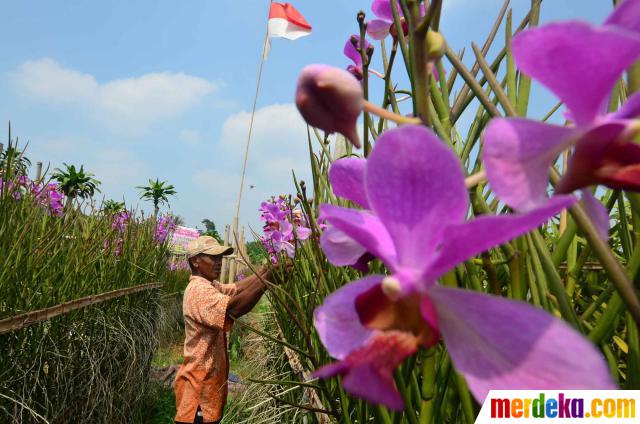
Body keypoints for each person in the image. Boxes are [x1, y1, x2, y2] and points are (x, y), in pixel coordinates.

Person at [174, 235, 272, 424]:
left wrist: (262, 273)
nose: (219, 262)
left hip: (207, 390)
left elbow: (237, 288)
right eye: (213, 257)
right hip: (198, 394)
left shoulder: (210, 285)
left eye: (220, 258)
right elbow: (234, 308)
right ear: (195, 261)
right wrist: (266, 280)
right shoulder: (198, 291)